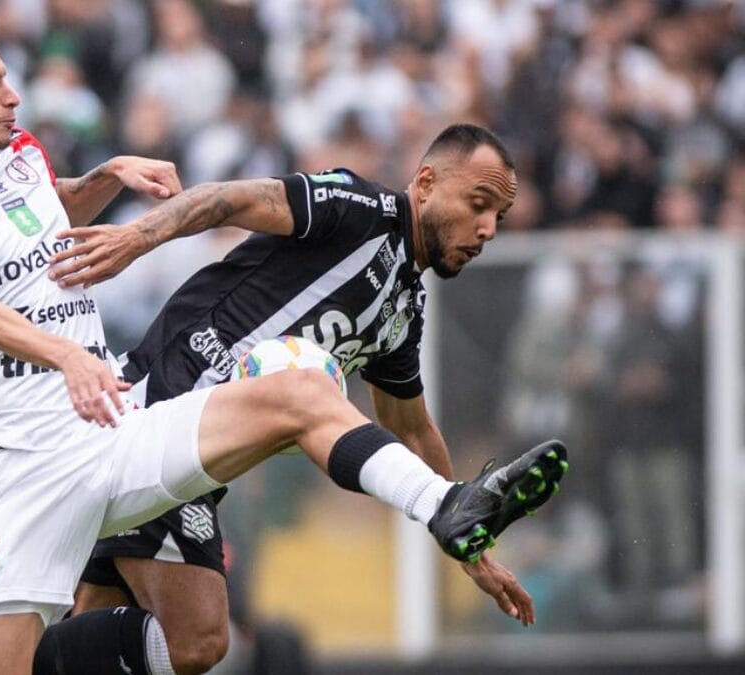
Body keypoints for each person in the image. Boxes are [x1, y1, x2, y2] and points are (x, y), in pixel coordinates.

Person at [0, 19, 566, 675]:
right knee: (153, 643)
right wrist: (69, 351)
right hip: (24, 462)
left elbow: (43, 215)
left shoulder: (19, 159)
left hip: (112, 422)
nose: (13, 94)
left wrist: (109, 178)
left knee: (299, 401)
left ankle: (451, 509)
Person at [37, 122, 555, 674]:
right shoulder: (361, 208)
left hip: (198, 461)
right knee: (197, 642)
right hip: (157, 412)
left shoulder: (403, 312)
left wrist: (467, 543)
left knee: (97, 637)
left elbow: (411, 429)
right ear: (425, 182)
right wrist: (137, 237)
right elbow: (228, 198)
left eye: (497, 216)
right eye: (479, 204)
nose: (488, 228)